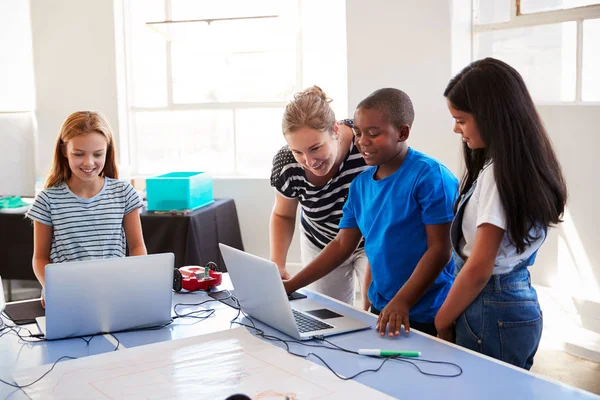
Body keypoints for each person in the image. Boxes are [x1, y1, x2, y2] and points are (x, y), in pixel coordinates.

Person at [284, 88, 458, 336]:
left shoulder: (431, 177)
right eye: (357, 133)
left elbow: (440, 249)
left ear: (403, 132)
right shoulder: (360, 185)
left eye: (373, 134)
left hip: (428, 310)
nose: (361, 141)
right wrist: (292, 285)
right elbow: (342, 244)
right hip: (384, 307)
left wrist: (403, 301)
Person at [434, 58, 567, 369]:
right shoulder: (524, 164)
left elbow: (479, 267)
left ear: (491, 116)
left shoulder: (497, 175)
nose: (456, 128)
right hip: (515, 299)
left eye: (461, 119)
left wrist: (443, 319)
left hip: (490, 308)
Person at [27, 111, 147, 306]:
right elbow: (40, 258)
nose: (89, 162)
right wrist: (52, 288)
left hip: (115, 293)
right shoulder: (47, 200)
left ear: (107, 151)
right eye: (79, 154)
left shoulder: (124, 192)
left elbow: (137, 247)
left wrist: (139, 281)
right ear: (65, 150)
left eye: (98, 154)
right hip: (68, 296)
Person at [270, 86, 370, 306]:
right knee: (327, 313)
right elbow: (283, 215)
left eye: (315, 148)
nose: (309, 161)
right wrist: (277, 264)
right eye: (298, 152)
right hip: (320, 242)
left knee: (375, 307)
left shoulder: (366, 147)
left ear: (335, 130)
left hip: (369, 240)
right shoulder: (287, 165)